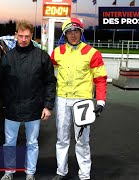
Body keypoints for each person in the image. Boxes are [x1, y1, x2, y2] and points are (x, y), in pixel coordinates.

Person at [0, 20, 57, 180]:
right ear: (16, 35)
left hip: (34, 107)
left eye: (27, 36)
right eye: (21, 36)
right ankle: (9, 171)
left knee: (32, 143)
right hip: (12, 107)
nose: (23, 39)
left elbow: (51, 82)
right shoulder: (8, 58)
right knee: (9, 143)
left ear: (32, 36)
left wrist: (48, 106)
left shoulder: (42, 57)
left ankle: (30, 172)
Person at [50, 18, 107, 180]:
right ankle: (61, 171)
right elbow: (45, 71)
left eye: (76, 31)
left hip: (83, 102)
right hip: (62, 99)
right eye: (69, 32)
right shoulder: (58, 52)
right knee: (62, 139)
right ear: (65, 34)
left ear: (81, 33)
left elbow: (100, 79)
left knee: (82, 140)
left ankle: (84, 174)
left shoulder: (92, 53)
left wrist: (101, 101)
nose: (73, 35)